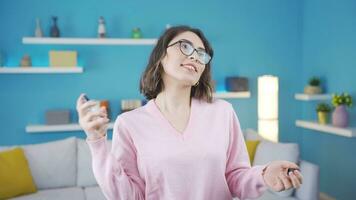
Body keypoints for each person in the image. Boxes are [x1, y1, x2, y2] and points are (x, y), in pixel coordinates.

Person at [76, 25, 303, 200]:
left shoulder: (222, 112)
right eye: (185, 47)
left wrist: (264, 174)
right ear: (161, 57)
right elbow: (129, 195)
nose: (195, 56)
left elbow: (235, 177)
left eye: (202, 54)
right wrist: (96, 141)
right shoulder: (130, 123)